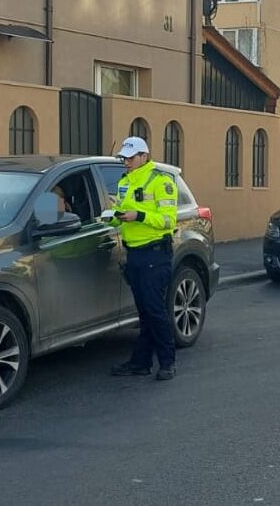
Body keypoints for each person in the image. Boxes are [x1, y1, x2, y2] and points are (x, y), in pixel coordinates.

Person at [104, 136, 179, 381]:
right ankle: (141, 362)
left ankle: (167, 362)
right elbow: (123, 212)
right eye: (124, 157)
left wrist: (139, 216)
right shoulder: (125, 181)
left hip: (155, 254)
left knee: (156, 311)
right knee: (144, 313)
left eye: (130, 157)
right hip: (134, 254)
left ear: (144, 156)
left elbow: (168, 220)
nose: (126, 161)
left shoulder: (161, 182)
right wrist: (112, 217)